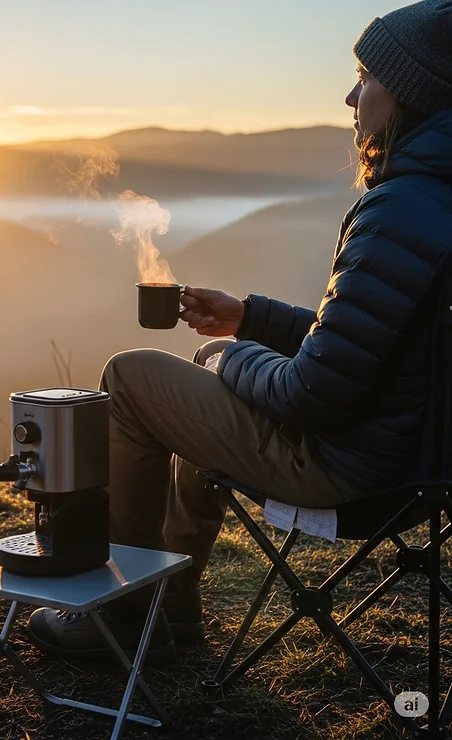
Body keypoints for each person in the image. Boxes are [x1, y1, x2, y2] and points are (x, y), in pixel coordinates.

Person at [28, 0, 452, 665]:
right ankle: (171, 606)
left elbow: (314, 393)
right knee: (205, 365)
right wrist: (248, 318)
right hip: (415, 463)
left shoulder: (399, 211)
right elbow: (377, 349)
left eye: (366, 78)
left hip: (351, 467)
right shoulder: (436, 202)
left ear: (411, 96)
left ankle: (123, 613)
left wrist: (231, 357)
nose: (350, 95)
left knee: (131, 377)